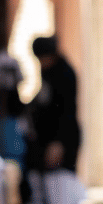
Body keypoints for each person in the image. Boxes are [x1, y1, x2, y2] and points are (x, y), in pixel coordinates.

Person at [29, 36, 80, 173]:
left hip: (62, 137)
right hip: (47, 136)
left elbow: (66, 110)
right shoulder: (47, 72)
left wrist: (58, 142)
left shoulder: (64, 74)